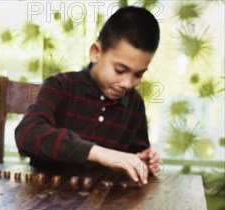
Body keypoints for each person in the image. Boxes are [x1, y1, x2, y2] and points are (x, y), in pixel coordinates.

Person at [15, 6, 161, 185]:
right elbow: (27, 135)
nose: (127, 83)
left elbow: (136, 152)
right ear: (95, 53)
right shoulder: (60, 86)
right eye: (120, 70)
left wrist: (141, 161)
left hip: (103, 204)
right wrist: (100, 153)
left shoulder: (134, 102)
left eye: (138, 74)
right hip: (46, 198)